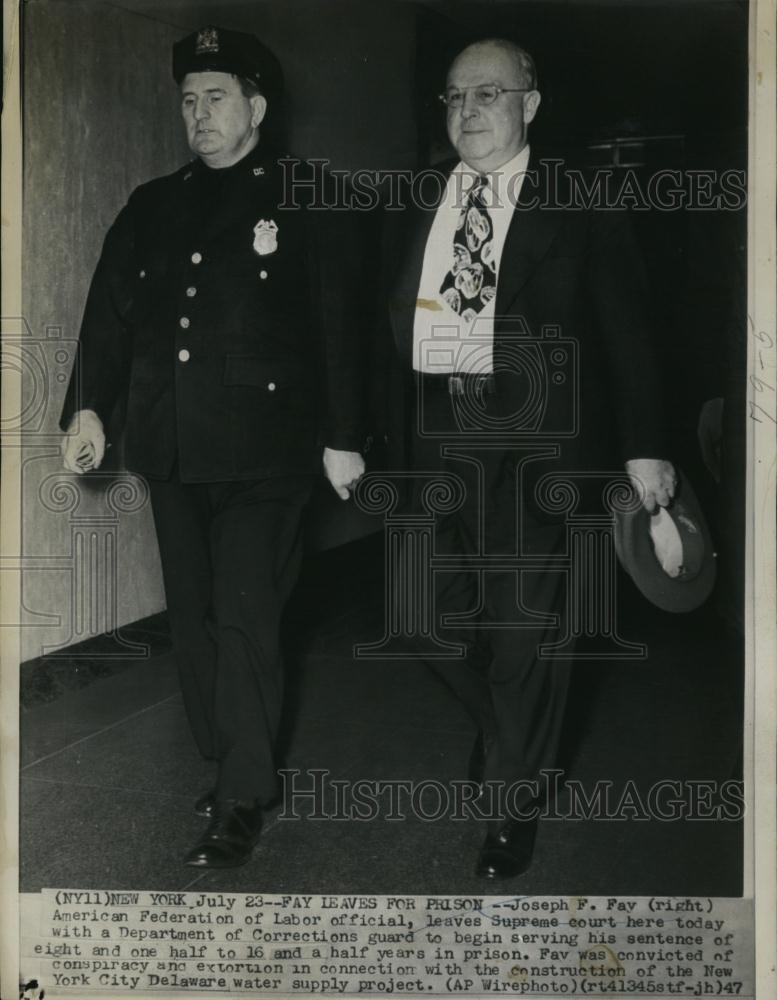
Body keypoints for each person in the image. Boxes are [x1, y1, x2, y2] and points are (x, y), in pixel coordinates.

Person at [60, 25, 366, 868]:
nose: (199, 113)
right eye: (188, 100)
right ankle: (227, 757)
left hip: (268, 455)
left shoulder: (307, 198)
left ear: (257, 108)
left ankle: (242, 795)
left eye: (217, 97)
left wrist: (343, 438)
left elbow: (340, 328)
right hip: (173, 448)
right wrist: (87, 411)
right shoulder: (153, 204)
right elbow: (109, 317)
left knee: (244, 618)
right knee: (193, 624)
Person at [381, 38, 676, 879]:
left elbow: (628, 330)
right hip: (435, 432)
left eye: (487, 94)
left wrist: (645, 446)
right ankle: (514, 736)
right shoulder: (418, 198)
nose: (466, 112)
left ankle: (512, 804)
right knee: (426, 619)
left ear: (530, 105)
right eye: (452, 97)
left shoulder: (581, 198)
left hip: (543, 440)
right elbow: (380, 328)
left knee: (525, 631)